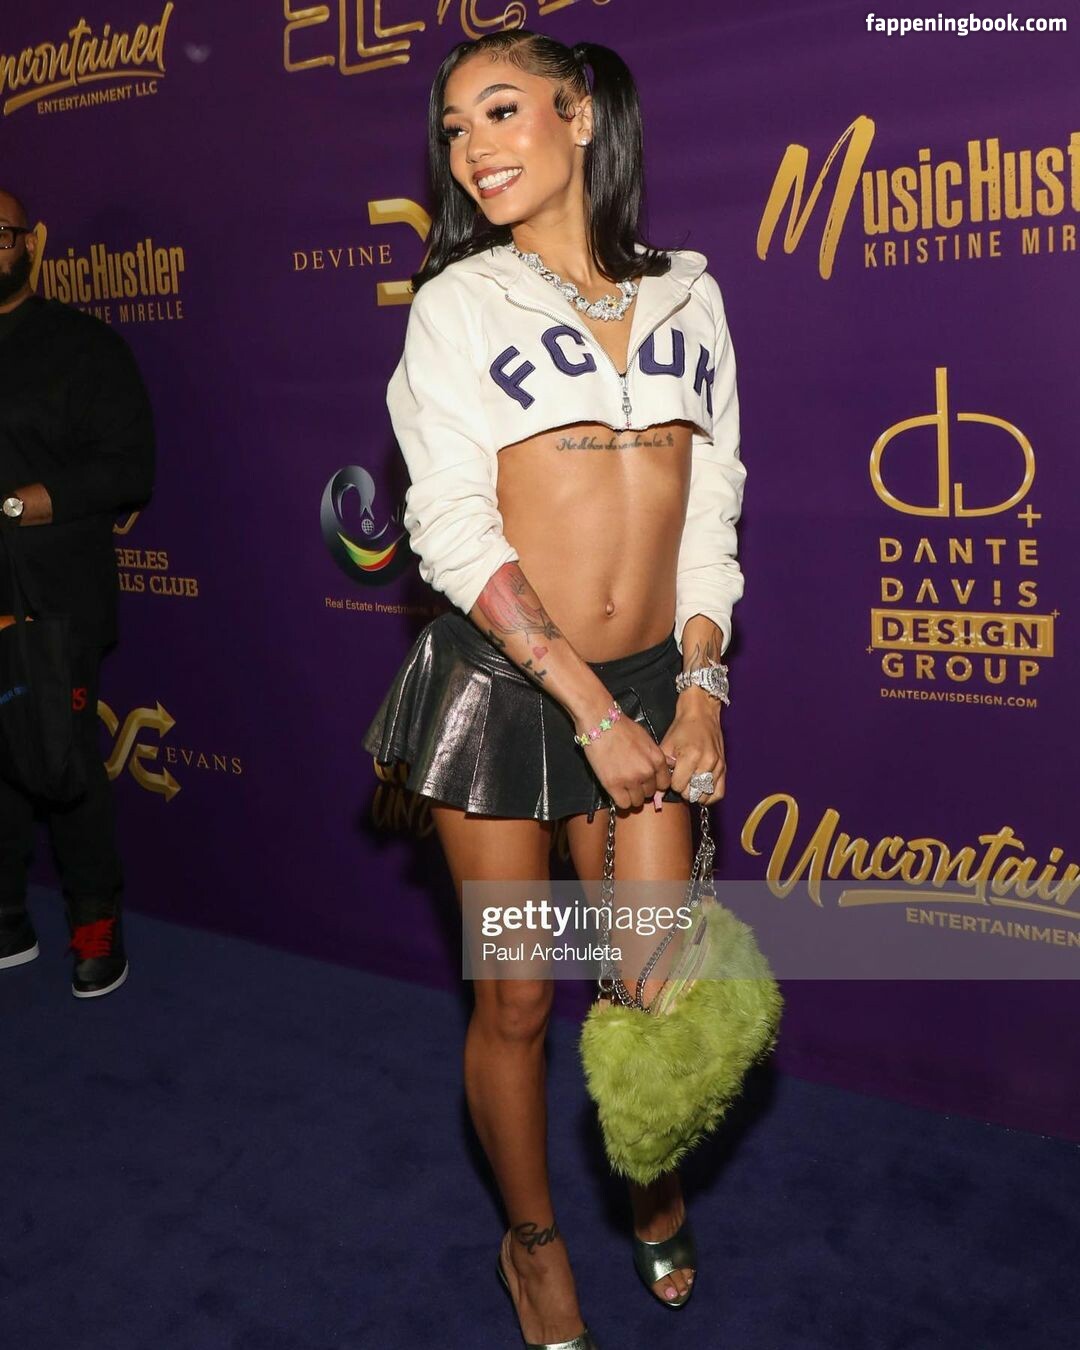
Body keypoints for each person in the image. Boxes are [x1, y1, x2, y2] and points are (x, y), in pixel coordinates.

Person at [362, 32, 746, 1349]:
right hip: (507, 698)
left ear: (581, 116)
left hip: (653, 683)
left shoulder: (690, 294)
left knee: (651, 984)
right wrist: (592, 710)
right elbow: (452, 532)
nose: (471, 147)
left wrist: (700, 684)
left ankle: (649, 1174)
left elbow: (712, 508)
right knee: (518, 995)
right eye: (453, 128)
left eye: (501, 110)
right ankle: (531, 1244)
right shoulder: (457, 305)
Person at [0, 188, 155, 999]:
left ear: (30, 243)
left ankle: (96, 925)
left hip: (53, 599)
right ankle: (6, 917)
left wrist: (20, 503)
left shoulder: (84, 346)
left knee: (63, 763)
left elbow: (129, 470)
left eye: (0, 233)